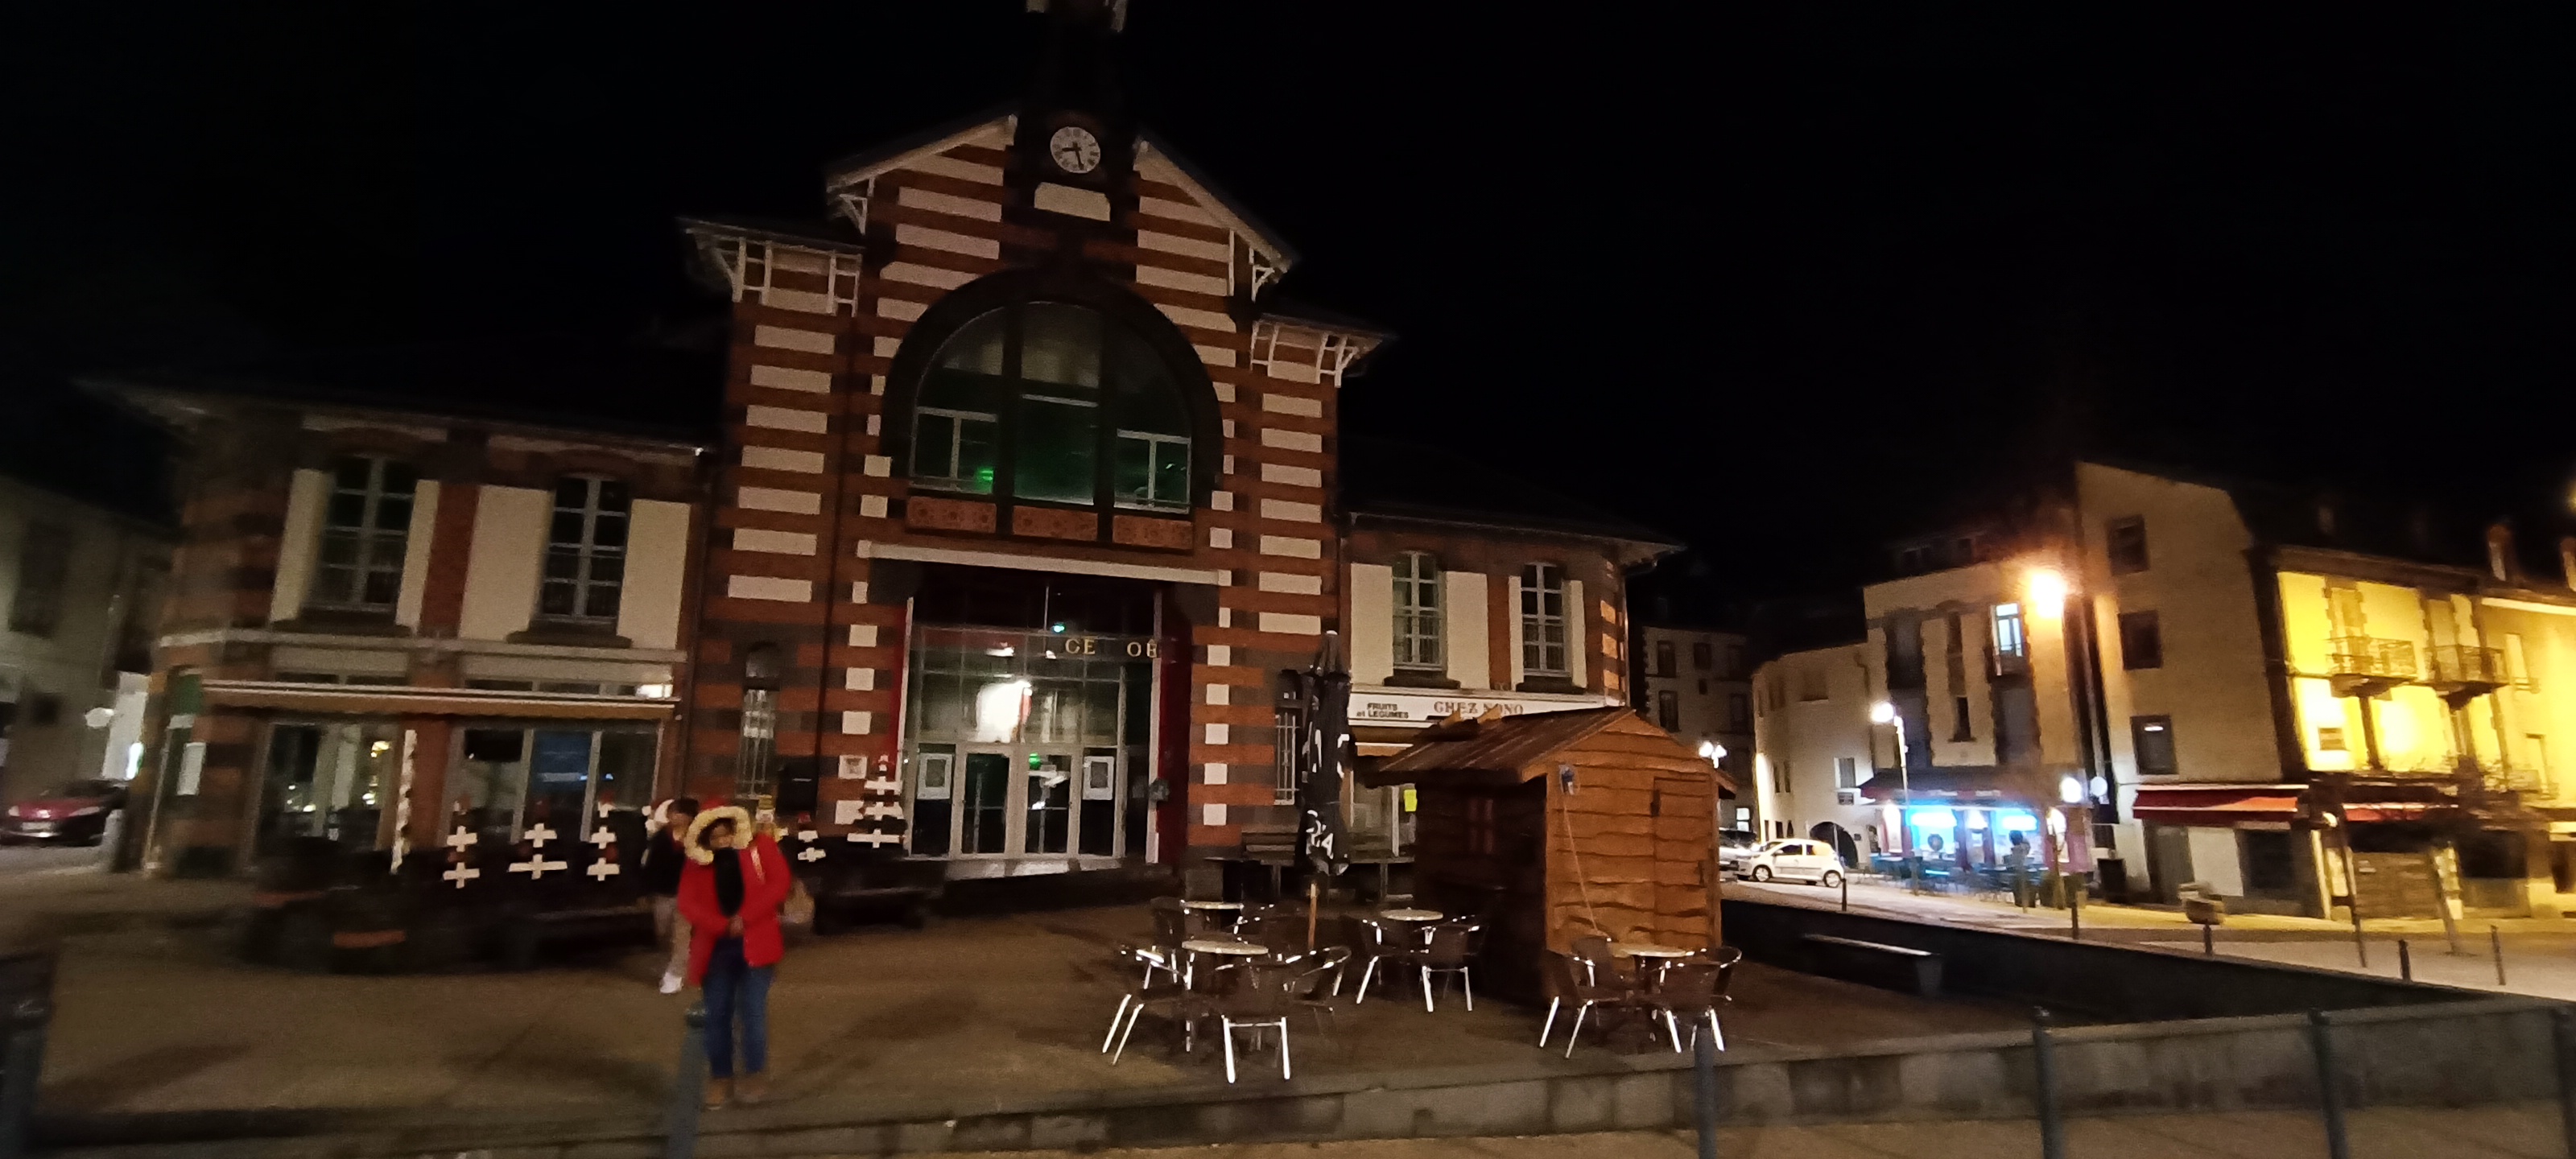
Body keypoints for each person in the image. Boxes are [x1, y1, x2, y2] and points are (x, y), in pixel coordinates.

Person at [677, 804, 791, 1108]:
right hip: (716, 948)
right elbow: (687, 902)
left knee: (752, 1012)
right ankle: (721, 1077)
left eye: (725, 834)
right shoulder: (698, 861)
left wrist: (745, 917)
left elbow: (779, 884)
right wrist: (721, 925)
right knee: (717, 1014)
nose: (722, 841)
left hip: (757, 943)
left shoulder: (760, 847)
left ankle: (754, 1073)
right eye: (715, 837)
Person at [642, 797, 699, 993]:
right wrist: (646, 890)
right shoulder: (661, 837)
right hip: (663, 892)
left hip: (687, 893)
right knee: (663, 932)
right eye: (672, 812)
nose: (673, 816)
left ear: (688, 816)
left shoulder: (697, 838)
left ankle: (675, 974)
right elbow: (650, 864)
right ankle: (672, 964)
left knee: (680, 934)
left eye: (678, 813)